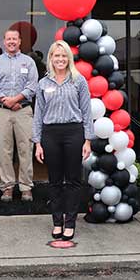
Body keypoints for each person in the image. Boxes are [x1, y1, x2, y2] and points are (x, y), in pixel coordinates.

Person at [32, 40, 93, 241]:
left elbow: (86, 111)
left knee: (74, 180)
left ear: (69, 58)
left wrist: (87, 140)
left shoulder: (79, 81)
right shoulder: (43, 83)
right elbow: (38, 115)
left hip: (74, 133)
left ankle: (70, 223)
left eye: (63, 55)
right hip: (50, 134)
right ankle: (57, 222)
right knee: (55, 181)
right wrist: (38, 142)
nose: (60, 59)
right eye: (56, 55)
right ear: (51, 58)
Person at [0, 29, 38, 202]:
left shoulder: (29, 62)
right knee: (4, 151)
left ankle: (26, 187)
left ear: (20, 41)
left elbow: (33, 86)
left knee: (25, 150)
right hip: (2, 111)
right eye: (8, 39)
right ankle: (7, 187)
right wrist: (4, 99)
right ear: (4, 41)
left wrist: (16, 99)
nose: (11, 42)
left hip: (23, 111)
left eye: (14, 39)